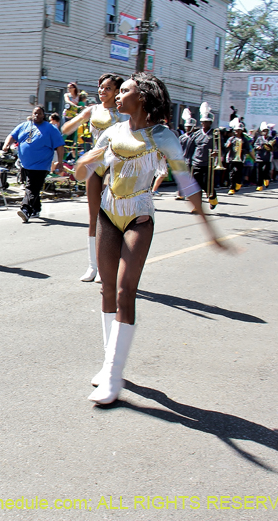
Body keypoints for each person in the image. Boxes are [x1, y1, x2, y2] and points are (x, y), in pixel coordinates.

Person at [73, 72, 226, 405]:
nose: (117, 95)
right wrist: (81, 164)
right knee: (107, 289)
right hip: (108, 214)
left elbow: (187, 184)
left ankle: (113, 377)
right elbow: (85, 171)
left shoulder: (162, 137)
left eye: (124, 90)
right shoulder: (112, 132)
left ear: (141, 97)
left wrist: (209, 228)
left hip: (138, 216)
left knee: (127, 290)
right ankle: (108, 364)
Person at [56, 73, 126, 281]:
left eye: (108, 88)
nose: (103, 91)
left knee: (113, 217)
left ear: (117, 92)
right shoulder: (93, 110)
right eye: (101, 87)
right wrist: (75, 122)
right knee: (94, 217)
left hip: (117, 165)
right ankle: (92, 266)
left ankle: (111, 264)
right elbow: (66, 128)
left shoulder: (124, 114)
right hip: (96, 163)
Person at [4, 106, 65, 224]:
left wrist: (60, 162)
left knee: (31, 187)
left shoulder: (50, 129)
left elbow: (60, 146)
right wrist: (6, 145)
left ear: (44, 115)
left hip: (41, 165)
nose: (37, 115)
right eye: (35, 113)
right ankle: (36, 208)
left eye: (39, 113)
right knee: (33, 187)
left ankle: (26, 209)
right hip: (25, 164)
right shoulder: (25, 125)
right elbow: (12, 135)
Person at [187, 104, 219, 209]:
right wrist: (187, 160)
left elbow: (219, 147)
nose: (203, 123)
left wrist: (216, 153)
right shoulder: (196, 134)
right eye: (202, 122)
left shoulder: (215, 133)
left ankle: (213, 199)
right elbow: (190, 148)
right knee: (196, 186)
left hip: (208, 164)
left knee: (207, 185)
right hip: (196, 162)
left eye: (206, 122)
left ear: (210, 122)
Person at [223, 124, 250, 195]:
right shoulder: (231, 139)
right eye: (235, 130)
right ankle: (231, 187)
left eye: (238, 130)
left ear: (241, 131)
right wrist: (228, 146)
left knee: (238, 172)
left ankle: (238, 183)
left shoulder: (244, 139)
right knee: (232, 173)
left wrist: (241, 150)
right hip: (231, 158)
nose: (237, 132)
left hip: (240, 159)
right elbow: (225, 147)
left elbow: (247, 149)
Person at [253, 121, 273, 191]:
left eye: (266, 131)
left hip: (267, 158)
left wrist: (270, 145)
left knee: (265, 170)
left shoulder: (271, 138)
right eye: (264, 131)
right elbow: (255, 145)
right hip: (259, 157)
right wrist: (257, 147)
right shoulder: (259, 138)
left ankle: (266, 178)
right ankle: (259, 185)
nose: (265, 132)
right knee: (259, 172)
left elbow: (273, 147)